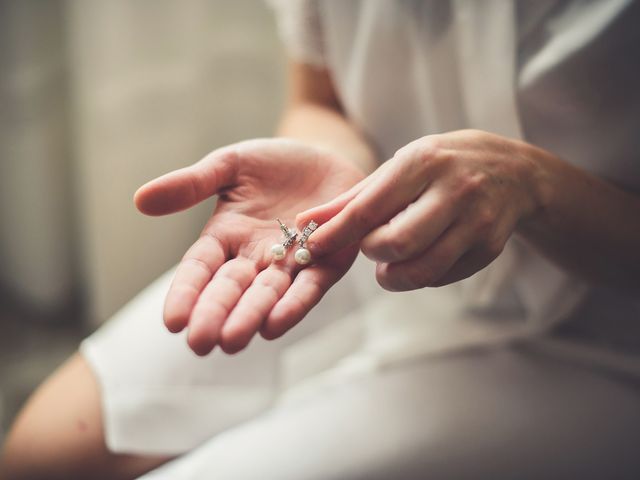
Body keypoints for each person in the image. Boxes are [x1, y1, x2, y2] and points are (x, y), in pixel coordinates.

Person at [3, 1, 640, 479]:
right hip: (360, 243)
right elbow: (322, 98)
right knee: (37, 454)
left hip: (593, 333)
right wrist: (321, 165)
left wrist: (535, 185)